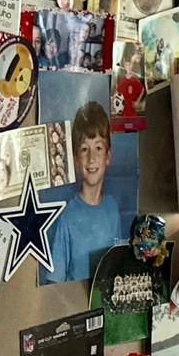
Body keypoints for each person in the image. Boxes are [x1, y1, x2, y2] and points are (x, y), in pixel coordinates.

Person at [41, 99, 130, 283]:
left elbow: (117, 266)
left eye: (98, 148)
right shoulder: (65, 217)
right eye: (84, 149)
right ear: (75, 159)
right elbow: (54, 284)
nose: (91, 159)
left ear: (108, 156)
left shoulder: (112, 207)